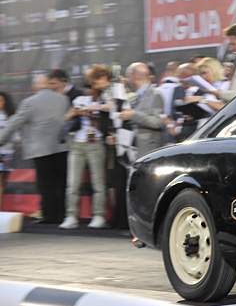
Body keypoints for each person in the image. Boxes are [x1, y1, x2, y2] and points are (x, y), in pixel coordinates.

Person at [0, 75, 69, 224]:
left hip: (41, 148)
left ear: (36, 86)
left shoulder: (29, 102)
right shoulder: (63, 99)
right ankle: (61, 214)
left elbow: (14, 123)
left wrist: (1, 140)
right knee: (60, 183)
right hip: (62, 146)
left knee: (45, 184)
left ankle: (49, 215)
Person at [60, 65, 114, 229]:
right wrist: (76, 112)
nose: (90, 89)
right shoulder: (80, 100)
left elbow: (102, 125)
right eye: (88, 86)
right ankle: (71, 215)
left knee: (98, 182)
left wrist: (89, 114)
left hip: (95, 143)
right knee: (73, 182)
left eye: (92, 86)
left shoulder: (104, 102)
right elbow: (65, 118)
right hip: (77, 143)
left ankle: (98, 215)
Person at [118, 63, 167, 161]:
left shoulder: (155, 94)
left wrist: (134, 115)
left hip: (148, 152)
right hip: (133, 150)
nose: (127, 80)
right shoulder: (134, 96)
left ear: (134, 76)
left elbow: (157, 122)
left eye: (128, 76)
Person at [0, 92, 16, 212]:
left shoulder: (11, 118)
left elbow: (17, 137)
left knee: (1, 185)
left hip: (6, 153)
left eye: (0, 101)